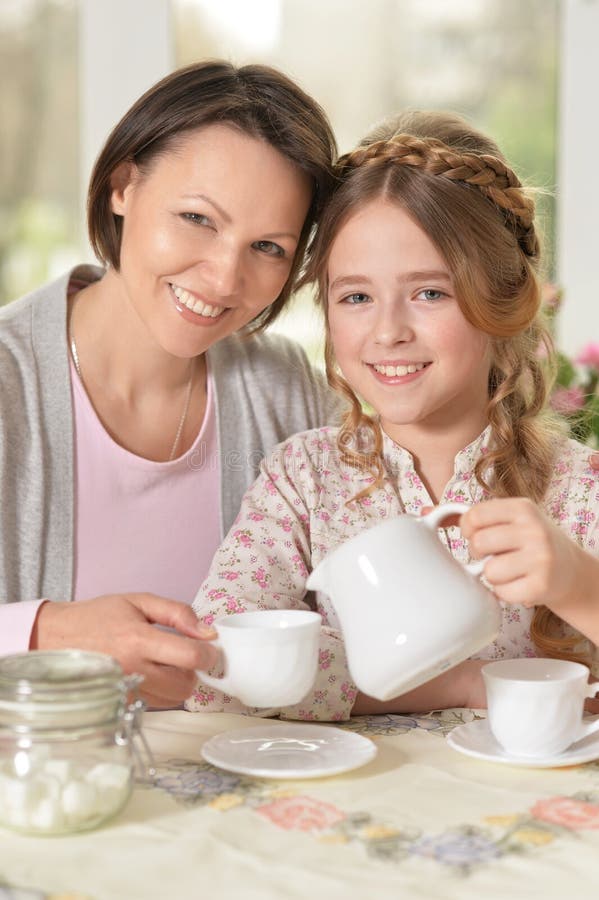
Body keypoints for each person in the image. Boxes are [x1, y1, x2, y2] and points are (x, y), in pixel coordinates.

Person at [189, 109, 599, 721]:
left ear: (505, 299)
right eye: (356, 297)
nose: (388, 332)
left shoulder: (579, 490)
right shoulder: (301, 479)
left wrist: (577, 582)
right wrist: (460, 683)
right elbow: (215, 662)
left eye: (429, 292)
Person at [0, 60, 341, 708]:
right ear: (123, 186)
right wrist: (46, 633)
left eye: (267, 247)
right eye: (197, 218)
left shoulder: (286, 393)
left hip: (242, 788)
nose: (222, 278)